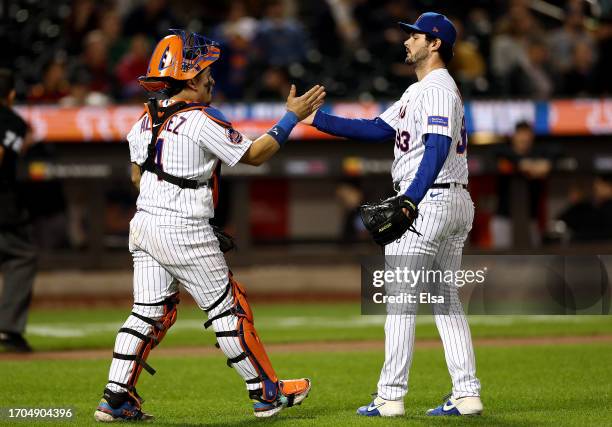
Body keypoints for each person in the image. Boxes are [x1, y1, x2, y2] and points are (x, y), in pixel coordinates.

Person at [93, 30, 325, 422]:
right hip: (183, 229)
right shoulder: (201, 120)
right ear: (189, 78)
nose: (210, 78)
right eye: (204, 71)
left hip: (145, 224)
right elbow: (254, 155)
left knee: (147, 313)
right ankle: (265, 393)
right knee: (228, 308)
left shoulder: (144, 117)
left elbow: (137, 176)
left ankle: (115, 397)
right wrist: (292, 118)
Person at [303, 12, 482, 417]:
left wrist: (410, 200)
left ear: (435, 43)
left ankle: (390, 396)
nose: (406, 41)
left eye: (415, 35)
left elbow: (436, 146)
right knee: (445, 301)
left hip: (428, 202)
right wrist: (315, 120)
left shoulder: (437, 88)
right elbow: (374, 129)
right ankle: (467, 393)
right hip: (448, 202)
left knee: (401, 303)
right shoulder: (417, 92)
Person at [0, 69, 37, 353]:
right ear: (11, 95)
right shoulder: (11, 119)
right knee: (21, 255)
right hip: (4, 201)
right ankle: (9, 330)